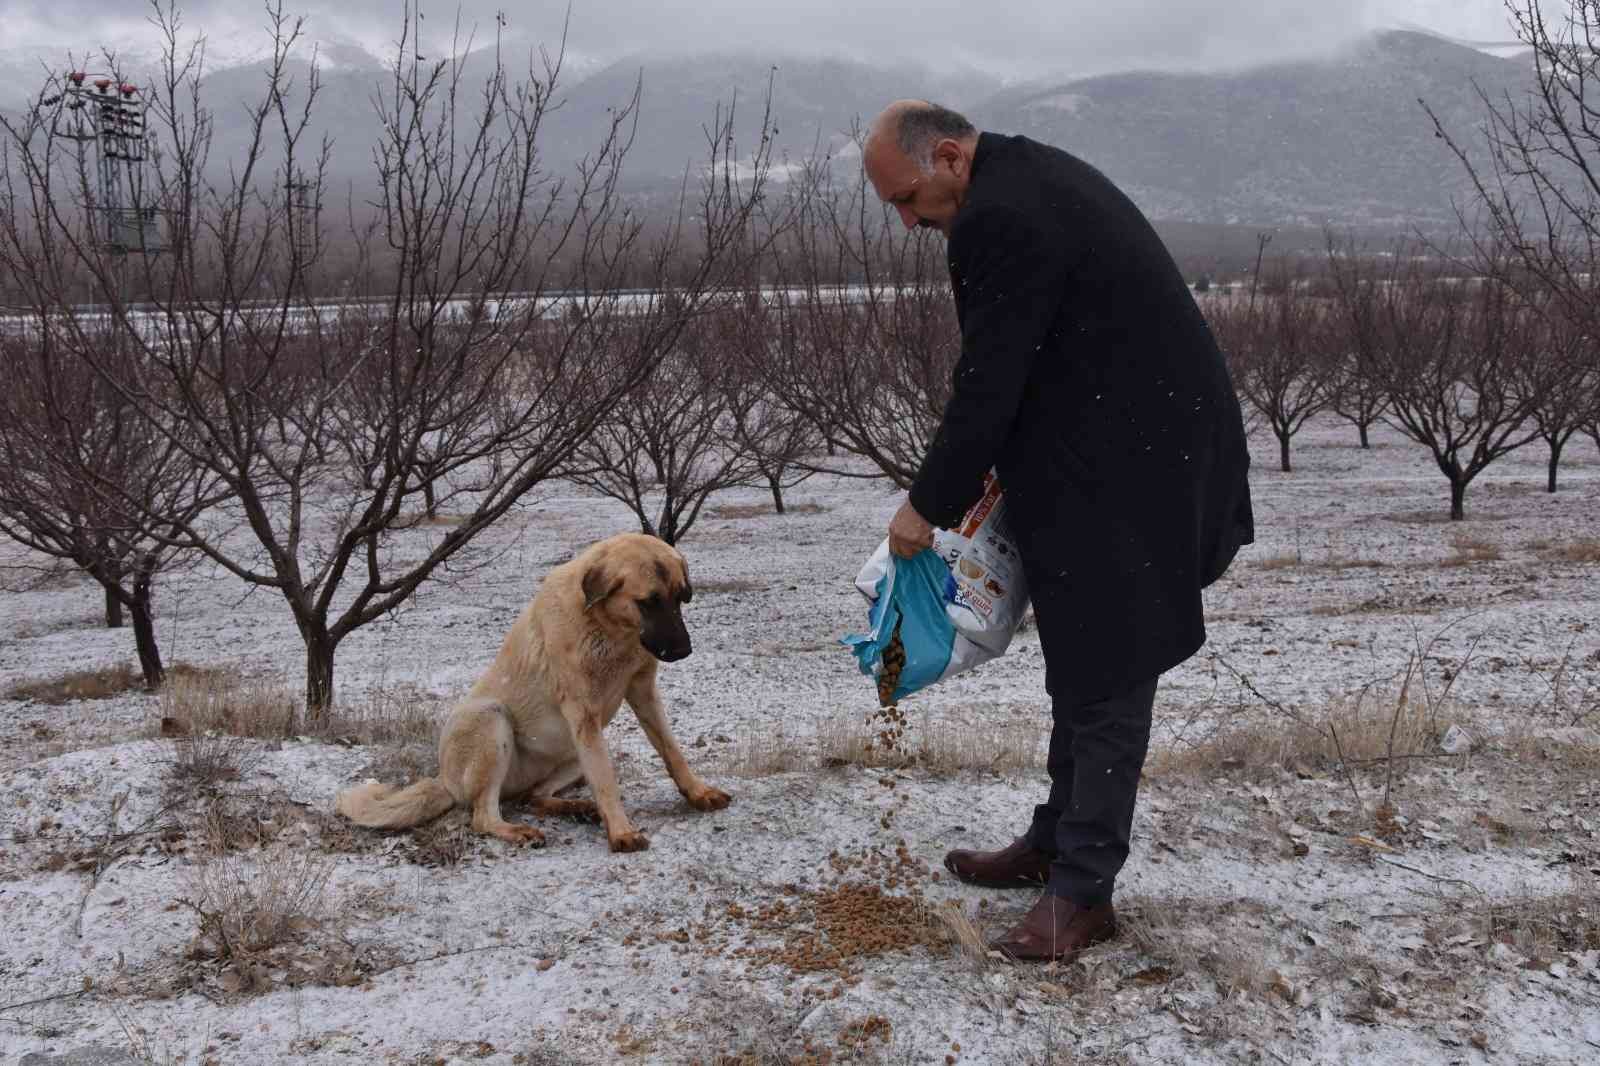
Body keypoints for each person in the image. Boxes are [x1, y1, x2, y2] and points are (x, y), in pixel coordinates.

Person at [862, 100, 1254, 962]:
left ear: (952, 158)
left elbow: (990, 381)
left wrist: (925, 508)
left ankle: (1083, 891)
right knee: (1080, 661)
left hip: (1139, 467)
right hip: (1114, 450)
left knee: (1110, 670)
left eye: (908, 199)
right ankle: (1054, 843)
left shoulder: (996, 216)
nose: (906, 221)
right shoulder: (1020, 183)